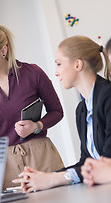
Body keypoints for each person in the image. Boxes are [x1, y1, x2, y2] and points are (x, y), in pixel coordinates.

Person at [0, 25, 64, 189]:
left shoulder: (32, 73)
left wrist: (36, 126)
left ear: (3, 50)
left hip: (42, 156)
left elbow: (57, 112)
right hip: (7, 165)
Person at [14, 35, 111, 192]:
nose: (56, 72)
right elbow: (86, 162)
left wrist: (52, 179)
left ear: (78, 64)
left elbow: (107, 162)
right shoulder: (82, 109)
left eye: (59, 64)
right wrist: (44, 176)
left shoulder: (107, 97)